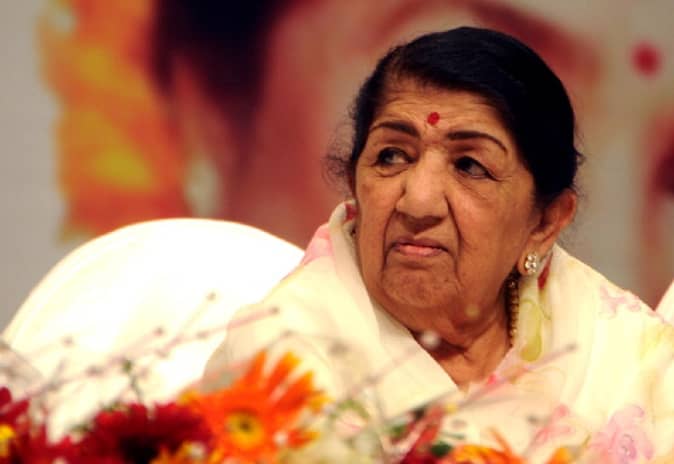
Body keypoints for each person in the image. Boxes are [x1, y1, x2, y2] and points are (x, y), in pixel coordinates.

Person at [205, 27, 674, 461]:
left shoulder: (619, 354)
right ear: (354, 184)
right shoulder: (280, 362)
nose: (418, 201)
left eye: (470, 166)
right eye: (391, 156)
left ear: (545, 222)